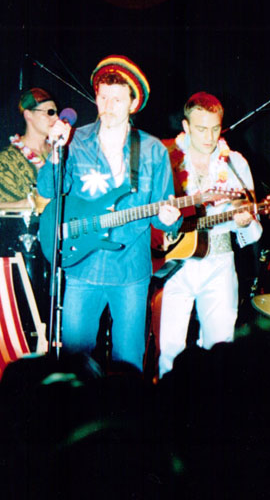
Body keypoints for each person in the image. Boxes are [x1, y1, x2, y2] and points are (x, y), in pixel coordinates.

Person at [38, 55, 180, 370]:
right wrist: (55, 152)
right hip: (81, 267)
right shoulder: (75, 141)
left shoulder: (153, 150)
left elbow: (164, 212)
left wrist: (170, 219)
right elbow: (49, 190)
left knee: (128, 362)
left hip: (130, 271)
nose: (108, 106)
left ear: (133, 103)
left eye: (117, 99)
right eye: (103, 98)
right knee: (74, 363)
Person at [155, 92, 262, 378]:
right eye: (201, 129)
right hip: (175, 263)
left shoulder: (235, 163)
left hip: (219, 261)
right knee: (169, 350)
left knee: (220, 348)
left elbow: (251, 224)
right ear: (186, 126)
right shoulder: (166, 157)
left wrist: (243, 220)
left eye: (215, 129)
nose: (209, 137)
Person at [0, 87, 58, 219]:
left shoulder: (59, 152)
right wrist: (33, 203)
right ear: (28, 115)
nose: (56, 118)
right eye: (50, 112)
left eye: (56, 112)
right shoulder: (9, 158)